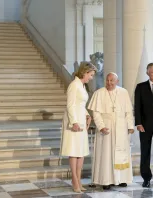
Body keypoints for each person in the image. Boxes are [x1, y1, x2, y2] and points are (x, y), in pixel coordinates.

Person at [87, 72, 134, 190]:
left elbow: (128, 112)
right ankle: (106, 180)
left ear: (117, 81)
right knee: (106, 154)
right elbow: (96, 113)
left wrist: (130, 126)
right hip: (106, 127)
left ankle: (121, 179)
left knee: (121, 153)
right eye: (107, 80)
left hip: (121, 127)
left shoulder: (123, 92)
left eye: (112, 80)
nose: (109, 83)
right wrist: (101, 126)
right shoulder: (99, 93)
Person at [60, 61, 97, 193]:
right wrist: (74, 122)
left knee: (80, 152)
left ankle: (78, 180)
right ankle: (74, 181)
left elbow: (80, 104)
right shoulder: (74, 85)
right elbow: (70, 105)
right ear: (85, 72)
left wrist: (88, 115)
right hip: (74, 121)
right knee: (74, 152)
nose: (91, 78)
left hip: (81, 119)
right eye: (91, 75)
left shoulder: (81, 85)